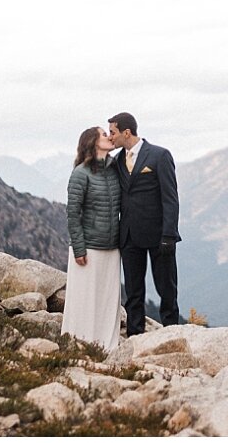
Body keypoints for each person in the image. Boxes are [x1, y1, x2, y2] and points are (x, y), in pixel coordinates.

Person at [107, 112, 182, 334]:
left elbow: (170, 198)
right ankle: (134, 337)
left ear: (126, 132)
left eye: (113, 132)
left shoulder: (159, 156)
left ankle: (172, 334)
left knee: (166, 289)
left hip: (159, 235)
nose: (110, 137)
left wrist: (169, 234)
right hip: (129, 236)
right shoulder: (117, 161)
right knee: (133, 291)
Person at [63, 125, 122, 353]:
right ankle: (78, 346)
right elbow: (73, 212)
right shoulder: (80, 173)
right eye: (104, 134)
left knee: (108, 301)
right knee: (84, 300)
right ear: (93, 142)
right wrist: (79, 248)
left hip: (112, 247)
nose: (109, 136)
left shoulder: (114, 169)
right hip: (88, 248)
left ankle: (108, 349)